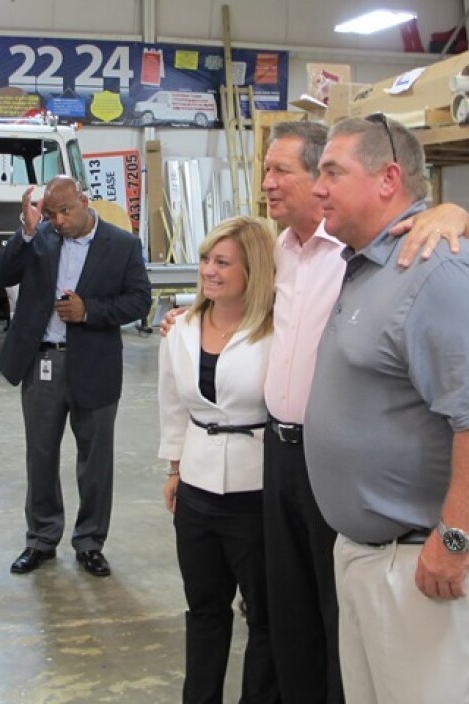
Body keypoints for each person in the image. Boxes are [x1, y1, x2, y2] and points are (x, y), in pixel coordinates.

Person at [162, 120, 469, 704]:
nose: (268, 182)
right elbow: (232, 291)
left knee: (338, 612)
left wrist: (457, 215)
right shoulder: (279, 251)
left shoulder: (368, 246)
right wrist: (190, 323)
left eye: (282, 171)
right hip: (279, 454)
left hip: (331, 463)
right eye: (266, 169)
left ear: (321, 177)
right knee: (288, 611)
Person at [305, 115, 469, 703]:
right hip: (376, 561)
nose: (317, 186)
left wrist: (454, 541)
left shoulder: (441, 269)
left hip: (427, 569)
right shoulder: (370, 266)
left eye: (333, 171)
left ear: (388, 180)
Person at [0, 176, 151, 577]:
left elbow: (139, 300)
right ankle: (41, 539)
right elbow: (1, 275)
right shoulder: (40, 238)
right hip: (43, 363)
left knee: (95, 460)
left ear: (84, 200)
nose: (59, 221)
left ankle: (90, 541)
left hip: (95, 364)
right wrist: (27, 231)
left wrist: (89, 312)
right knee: (41, 455)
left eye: (66, 211)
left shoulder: (123, 245)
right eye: (51, 214)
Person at [158, 217, 279, 703]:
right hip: (198, 487)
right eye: (206, 259)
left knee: (264, 613)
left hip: (258, 489)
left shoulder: (276, 330)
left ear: (254, 270)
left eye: (222, 262)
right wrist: (173, 468)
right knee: (204, 609)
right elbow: (171, 402)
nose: (208, 270)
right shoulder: (181, 328)